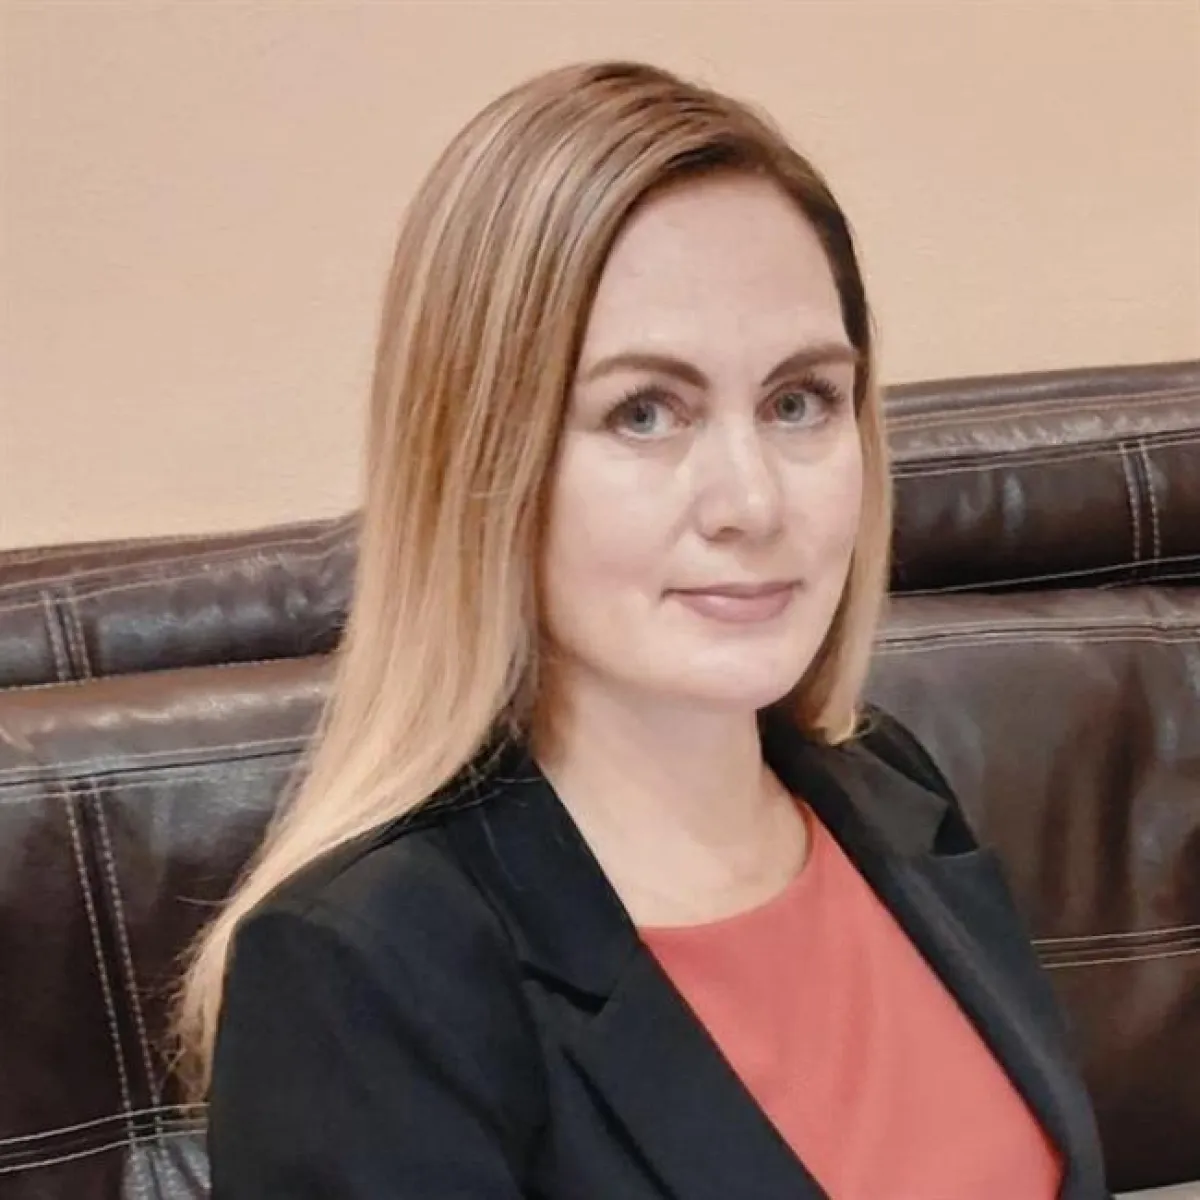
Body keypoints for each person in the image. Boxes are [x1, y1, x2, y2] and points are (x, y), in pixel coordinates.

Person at [174, 60, 1110, 1199]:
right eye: (645, 412)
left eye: (799, 401)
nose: (751, 502)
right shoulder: (358, 976)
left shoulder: (886, 789)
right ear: (484, 463)